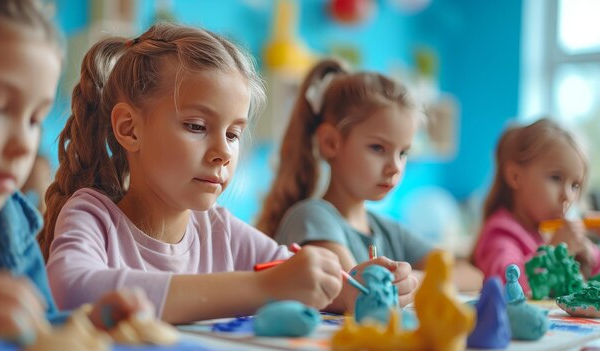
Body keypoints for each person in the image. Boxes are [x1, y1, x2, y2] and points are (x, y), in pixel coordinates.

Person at [38, 23, 404, 324]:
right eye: (197, 126)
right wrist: (262, 288)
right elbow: (71, 289)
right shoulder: (93, 216)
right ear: (130, 129)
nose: (223, 153)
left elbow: (305, 281)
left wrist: (361, 286)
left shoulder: (223, 233)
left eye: (233, 134)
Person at [0, 0, 152, 345]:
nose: (23, 145)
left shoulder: (7, 220)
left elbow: (37, 328)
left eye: (34, 120)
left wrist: (90, 322)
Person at [256, 59, 482, 291]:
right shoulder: (310, 218)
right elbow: (360, 292)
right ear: (331, 143)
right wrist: (426, 282)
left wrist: (409, 280)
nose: (395, 167)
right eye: (378, 148)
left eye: (403, 152)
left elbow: (472, 275)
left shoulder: (390, 231)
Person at [472, 118, 600, 292]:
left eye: (575, 185)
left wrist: (588, 256)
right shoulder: (500, 233)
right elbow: (508, 283)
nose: (568, 196)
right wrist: (554, 254)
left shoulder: (548, 234)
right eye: (556, 177)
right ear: (516, 176)